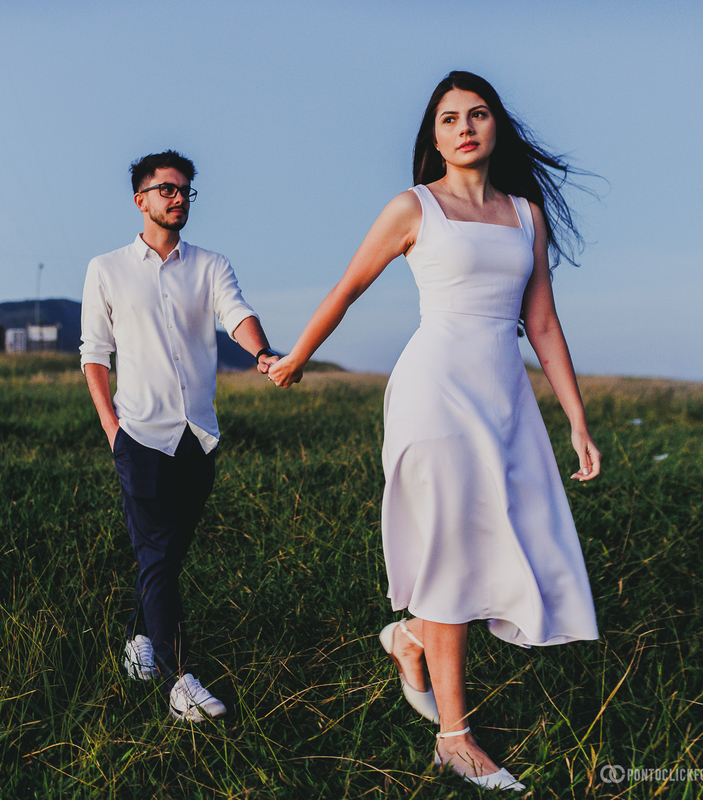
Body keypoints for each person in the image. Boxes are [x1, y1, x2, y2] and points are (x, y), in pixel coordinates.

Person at [267, 71, 600, 791]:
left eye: (478, 115)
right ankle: (454, 737)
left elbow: (540, 322)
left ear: (496, 127)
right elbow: (348, 286)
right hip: (431, 393)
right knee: (451, 548)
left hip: (503, 395)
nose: (465, 128)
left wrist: (575, 419)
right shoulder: (414, 207)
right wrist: (296, 356)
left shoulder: (526, 215)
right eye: (449, 119)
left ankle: (412, 638)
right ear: (435, 136)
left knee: (496, 538)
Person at [80, 150, 279, 722]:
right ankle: (178, 681)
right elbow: (95, 356)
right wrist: (112, 430)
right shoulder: (107, 268)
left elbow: (236, 314)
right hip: (139, 435)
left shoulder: (211, 265)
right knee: (160, 556)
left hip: (198, 438)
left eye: (185, 191)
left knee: (165, 555)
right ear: (140, 199)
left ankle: (138, 636)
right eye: (166, 190)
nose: (177, 199)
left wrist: (262, 351)